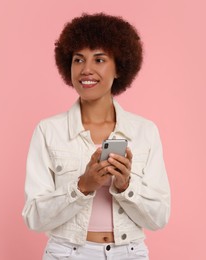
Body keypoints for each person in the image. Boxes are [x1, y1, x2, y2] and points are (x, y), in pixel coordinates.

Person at [22, 13, 170, 260]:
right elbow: (34, 218)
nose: (86, 69)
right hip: (67, 253)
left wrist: (125, 186)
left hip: (129, 254)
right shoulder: (48, 131)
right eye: (78, 59)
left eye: (99, 59)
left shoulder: (145, 132)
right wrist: (82, 187)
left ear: (119, 68)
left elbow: (159, 219)